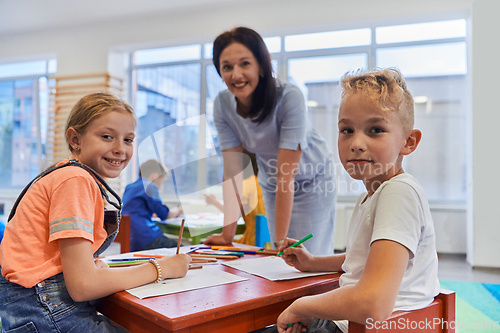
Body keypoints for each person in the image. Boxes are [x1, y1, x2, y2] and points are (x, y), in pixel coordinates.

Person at [0, 93, 191, 332]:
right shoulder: (75, 179)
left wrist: (91, 264)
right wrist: (161, 269)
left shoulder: (70, 175)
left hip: (35, 305)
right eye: (107, 137)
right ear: (75, 139)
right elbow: (82, 285)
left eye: (129, 140)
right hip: (44, 307)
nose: (120, 149)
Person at [271, 68, 440, 333]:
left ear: (408, 142)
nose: (356, 143)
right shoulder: (373, 195)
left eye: (375, 130)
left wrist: (302, 306)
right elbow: (366, 259)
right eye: (347, 130)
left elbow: (373, 303)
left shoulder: (398, 193)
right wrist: (313, 262)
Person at [205, 27, 336, 255]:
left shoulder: (289, 97)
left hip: (313, 180)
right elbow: (234, 172)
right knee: (283, 257)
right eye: (227, 67)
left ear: (262, 66)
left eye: (245, 63)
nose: (236, 75)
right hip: (273, 181)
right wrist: (228, 235)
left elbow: (287, 172)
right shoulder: (223, 104)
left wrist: (280, 242)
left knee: (308, 255)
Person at [204, 151, 266, 246]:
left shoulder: (246, 185)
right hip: (270, 243)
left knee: (208, 243)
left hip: (253, 243)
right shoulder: (266, 184)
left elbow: (232, 214)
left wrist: (214, 202)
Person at [122, 159, 183, 252]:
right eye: (161, 182)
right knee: (183, 250)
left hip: (130, 239)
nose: (160, 187)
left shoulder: (130, 187)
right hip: (145, 238)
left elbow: (134, 210)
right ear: (155, 176)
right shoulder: (150, 186)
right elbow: (165, 215)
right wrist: (178, 210)